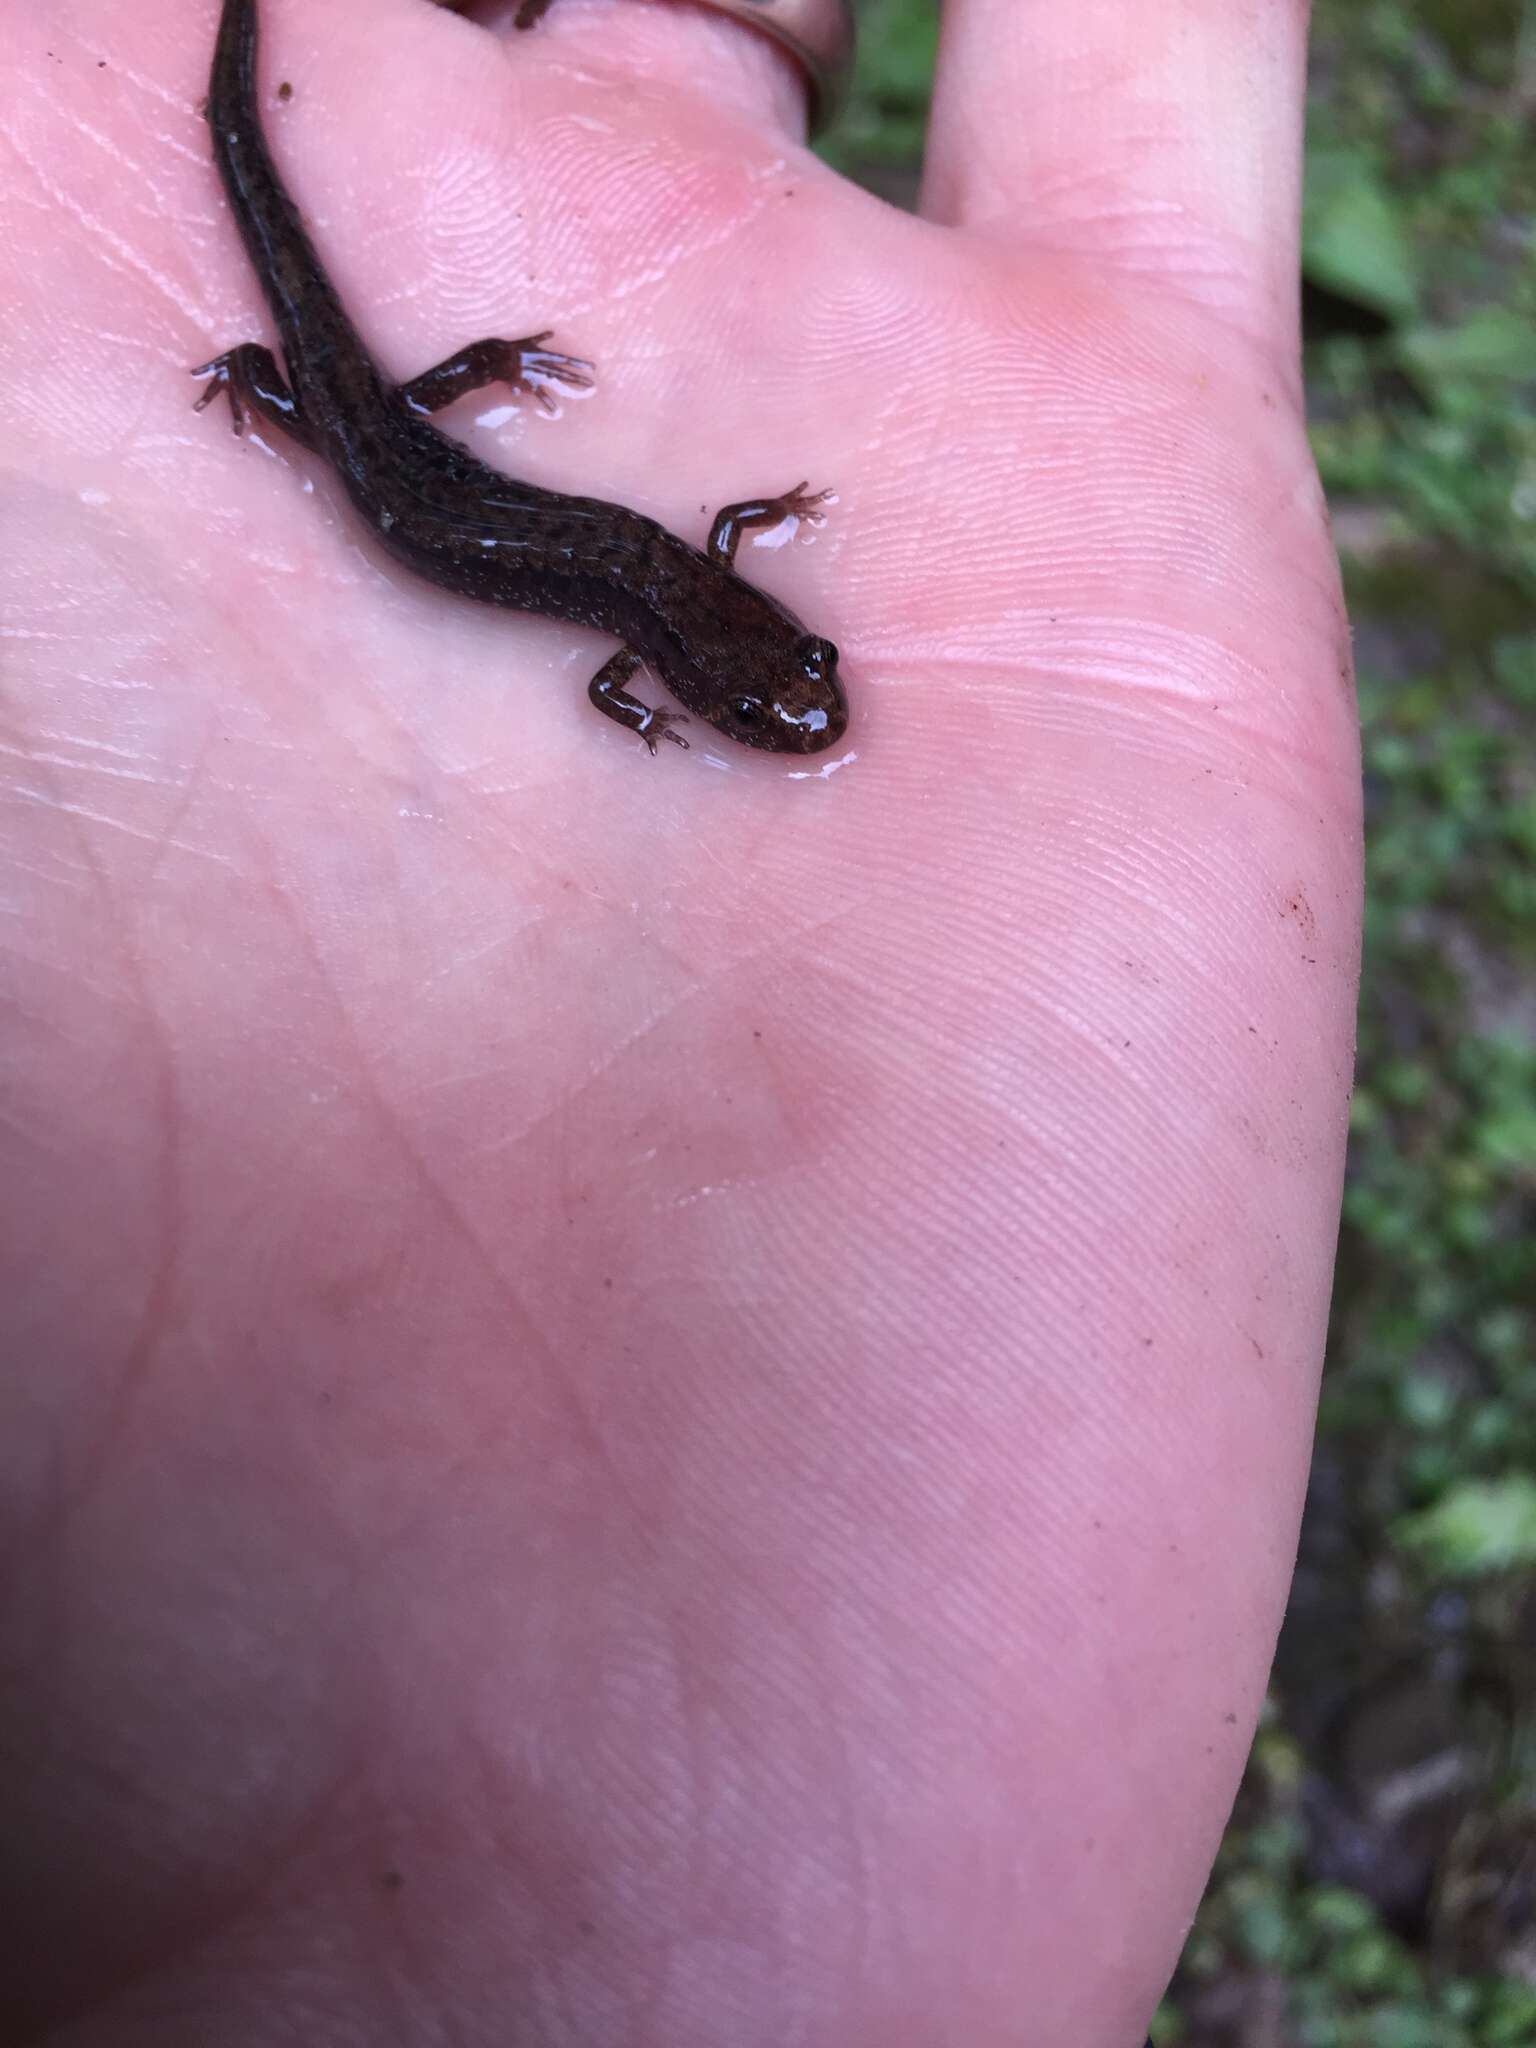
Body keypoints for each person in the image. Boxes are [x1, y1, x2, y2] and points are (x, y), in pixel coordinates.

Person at [0, 0, 1360, 2040]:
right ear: (714, 665)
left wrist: (640, 494)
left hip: (423, 454)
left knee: (372, 402)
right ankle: (266, 353)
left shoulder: (665, 584)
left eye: (774, 678)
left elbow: (673, 583)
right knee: (344, 405)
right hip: (403, 472)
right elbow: (630, 653)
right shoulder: (648, 617)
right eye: (766, 691)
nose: (777, 695)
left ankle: (287, 336)